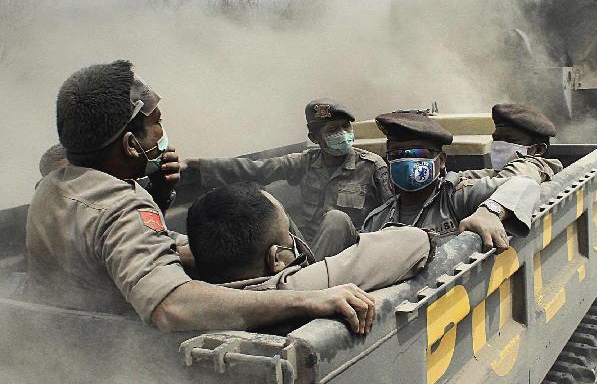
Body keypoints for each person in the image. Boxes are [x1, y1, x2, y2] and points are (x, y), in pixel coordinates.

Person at [26, 60, 375, 334]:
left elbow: (115, 243)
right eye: (157, 122)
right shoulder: (124, 207)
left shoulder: (53, 186)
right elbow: (170, 305)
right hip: (117, 358)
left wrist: (161, 195)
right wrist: (306, 300)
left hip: (65, 342)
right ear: (131, 145)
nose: (163, 133)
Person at [183, 98, 392, 260]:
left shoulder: (372, 166)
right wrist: (201, 166)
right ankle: (305, 274)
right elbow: (257, 169)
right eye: (333, 130)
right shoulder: (306, 162)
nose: (343, 134)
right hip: (307, 247)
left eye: (346, 127)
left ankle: (305, 281)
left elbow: (391, 215)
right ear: (314, 138)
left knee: (336, 219)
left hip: (349, 251)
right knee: (270, 209)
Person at [186, 184, 431, 308]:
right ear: (276, 260)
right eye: (288, 235)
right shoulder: (294, 290)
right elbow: (414, 241)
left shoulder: (189, 300)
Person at [362, 111, 541, 249]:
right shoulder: (377, 220)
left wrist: (490, 212)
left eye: (419, 154)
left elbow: (524, 184)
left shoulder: (457, 198)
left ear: (441, 161)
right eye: (397, 154)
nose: (407, 161)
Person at [457, 103, 563, 183]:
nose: (499, 146)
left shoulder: (530, 168)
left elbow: (500, 184)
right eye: (497, 139)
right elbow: (486, 175)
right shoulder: (502, 171)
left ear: (538, 150)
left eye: (510, 140)